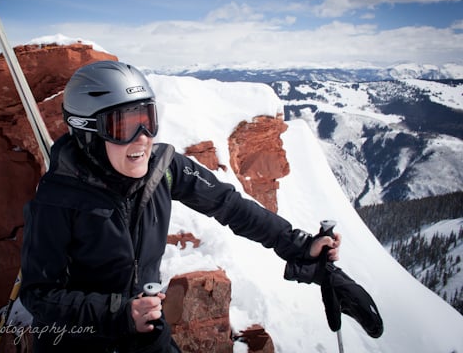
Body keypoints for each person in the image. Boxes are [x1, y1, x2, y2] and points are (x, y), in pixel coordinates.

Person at [20, 60, 341, 352]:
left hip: (145, 332)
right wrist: (119, 313)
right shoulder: (57, 199)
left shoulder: (164, 170)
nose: (143, 138)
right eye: (123, 126)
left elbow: (229, 205)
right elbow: (39, 295)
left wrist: (298, 244)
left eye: (147, 120)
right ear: (87, 132)